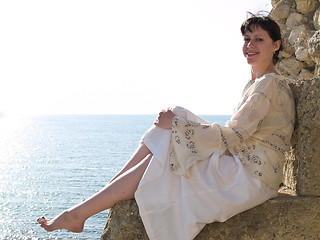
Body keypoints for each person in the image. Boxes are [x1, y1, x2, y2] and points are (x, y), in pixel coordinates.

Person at [37, 14, 295, 240]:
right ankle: (103, 194)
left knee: (167, 149)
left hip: (251, 177)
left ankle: (81, 212)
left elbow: (233, 135)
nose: (250, 46)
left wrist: (178, 126)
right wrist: (177, 122)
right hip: (243, 163)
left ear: (276, 45)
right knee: (177, 115)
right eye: (246, 39)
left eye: (258, 40)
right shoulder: (256, 83)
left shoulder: (268, 86)